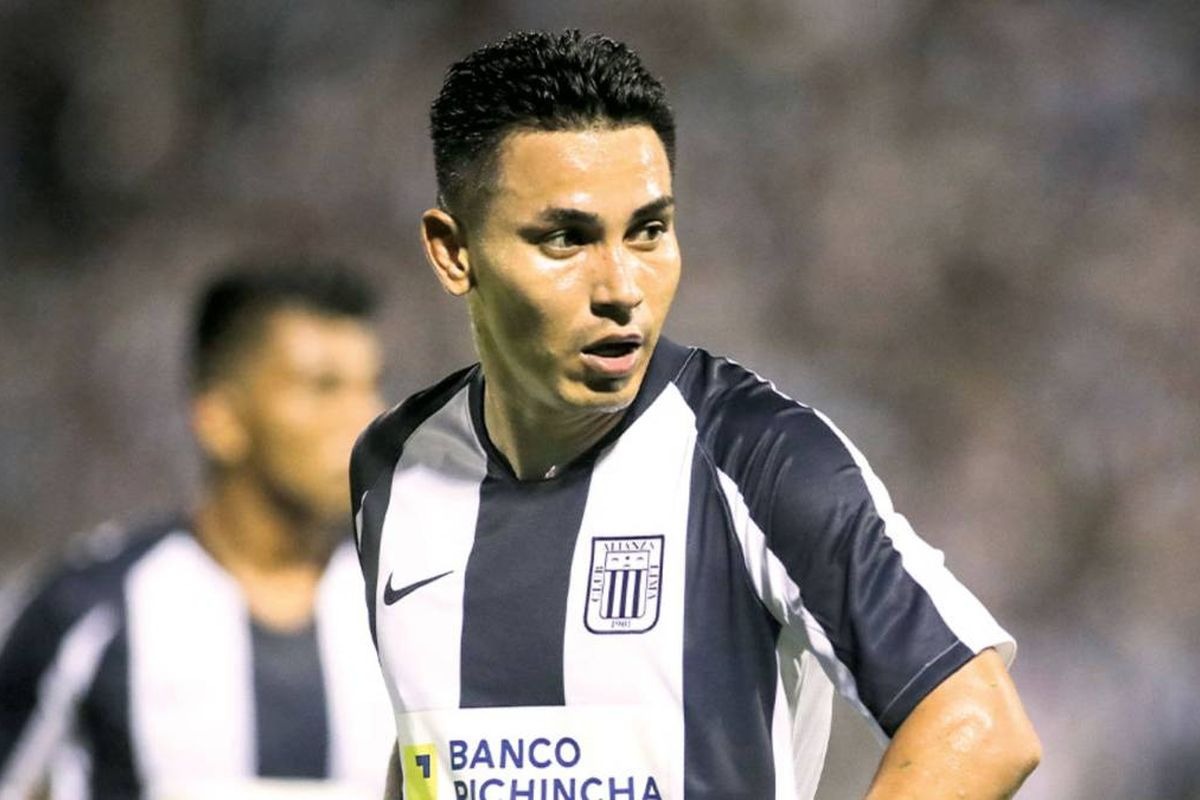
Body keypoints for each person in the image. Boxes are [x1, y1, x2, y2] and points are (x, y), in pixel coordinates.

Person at [351, 30, 1041, 800]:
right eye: (567, 239)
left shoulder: (757, 455)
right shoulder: (393, 467)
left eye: (648, 231)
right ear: (454, 252)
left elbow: (979, 726)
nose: (622, 288)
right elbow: (432, 748)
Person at [0, 261, 395, 799]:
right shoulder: (92, 608)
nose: (368, 417)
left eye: (371, 386)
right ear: (220, 418)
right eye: (323, 387)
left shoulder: (415, 610)